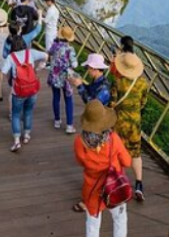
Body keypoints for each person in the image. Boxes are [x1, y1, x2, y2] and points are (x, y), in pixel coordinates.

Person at [74, 99, 131, 237]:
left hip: (92, 188)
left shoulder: (79, 142)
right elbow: (127, 161)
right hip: (114, 186)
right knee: (119, 219)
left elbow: (80, 161)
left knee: (92, 224)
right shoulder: (113, 139)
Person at [0, 25, 48, 152]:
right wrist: (40, 67)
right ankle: (26, 135)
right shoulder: (30, 53)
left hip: (18, 91)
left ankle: (16, 140)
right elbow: (45, 55)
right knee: (28, 111)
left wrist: (10, 81)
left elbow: (3, 72)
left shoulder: (11, 57)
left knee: (16, 114)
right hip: (32, 89)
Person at [111, 52, 149, 202]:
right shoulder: (142, 83)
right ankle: (139, 184)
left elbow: (112, 103)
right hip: (135, 123)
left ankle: (120, 184)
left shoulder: (118, 82)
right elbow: (143, 103)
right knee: (136, 154)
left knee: (117, 153)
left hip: (119, 122)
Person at [47, 26, 78, 134]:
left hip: (55, 75)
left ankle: (57, 120)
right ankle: (69, 125)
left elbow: (49, 53)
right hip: (66, 77)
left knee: (56, 97)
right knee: (68, 99)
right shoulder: (71, 49)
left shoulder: (55, 46)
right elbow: (75, 64)